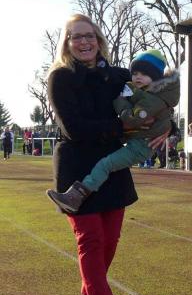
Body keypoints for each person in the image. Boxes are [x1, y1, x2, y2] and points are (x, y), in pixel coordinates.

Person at [45, 14, 168, 295]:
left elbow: (158, 96)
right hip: (77, 169)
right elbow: (73, 128)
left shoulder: (119, 75)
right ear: (67, 43)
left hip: (112, 168)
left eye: (89, 36)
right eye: (76, 37)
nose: (84, 42)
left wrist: (167, 124)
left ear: (98, 40)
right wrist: (123, 127)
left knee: (110, 242)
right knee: (90, 241)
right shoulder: (60, 77)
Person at [47, 49, 179, 213]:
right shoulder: (142, 89)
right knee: (106, 165)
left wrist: (120, 101)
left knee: (105, 165)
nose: (138, 77)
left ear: (156, 78)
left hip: (140, 145)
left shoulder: (150, 97)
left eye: (144, 74)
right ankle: (76, 195)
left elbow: (132, 119)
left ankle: (77, 196)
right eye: (135, 73)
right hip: (135, 140)